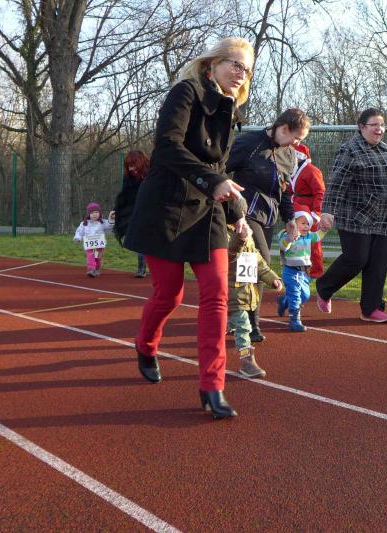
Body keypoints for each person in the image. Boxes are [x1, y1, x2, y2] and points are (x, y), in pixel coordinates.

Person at [123, 37, 253, 420]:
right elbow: (166, 148)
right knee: (170, 294)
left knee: (217, 295)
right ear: (212, 64)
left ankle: (212, 386)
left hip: (208, 212)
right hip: (165, 207)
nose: (240, 73)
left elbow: (220, 168)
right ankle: (146, 345)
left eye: (247, 69)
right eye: (235, 63)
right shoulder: (186, 92)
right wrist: (212, 182)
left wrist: (237, 212)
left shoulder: (231, 110)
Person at [226, 107, 311, 342]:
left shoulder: (289, 155)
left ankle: (239, 316)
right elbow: (220, 172)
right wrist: (230, 204)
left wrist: (290, 218)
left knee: (247, 269)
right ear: (283, 128)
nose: (297, 143)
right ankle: (250, 324)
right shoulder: (249, 143)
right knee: (258, 261)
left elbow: (284, 192)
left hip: (268, 219)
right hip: (244, 214)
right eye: (296, 137)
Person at [316, 107, 387, 323]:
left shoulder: (385, 150)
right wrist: (328, 211)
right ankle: (324, 287)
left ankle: (371, 309)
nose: (379, 129)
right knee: (356, 259)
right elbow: (336, 183)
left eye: (382, 125)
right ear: (362, 127)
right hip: (356, 216)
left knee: (379, 262)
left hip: (383, 217)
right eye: (374, 125)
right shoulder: (349, 150)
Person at [226, 208, 283, 378]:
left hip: (246, 293)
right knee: (244, 327)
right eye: (238, 214)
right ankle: (247, 361)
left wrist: (272, 278)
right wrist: (240, 237)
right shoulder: (223, 233)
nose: (242, 217)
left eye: (243, 214)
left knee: (228, 325)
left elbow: (258, 262)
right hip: (231, 294)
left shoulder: (248, 234)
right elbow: (229, 255)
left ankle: (211, 341)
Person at [276, 205, 327, 332]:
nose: (306, 226)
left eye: (308, 224)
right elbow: (283, 246)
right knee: (296, 297)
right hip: (290, 272)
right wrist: (289, 239)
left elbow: (318, 236)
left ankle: (284, 301)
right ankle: (294, 321)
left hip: (303, 272)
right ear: (294, 224)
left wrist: (325, 229)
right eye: (303, 223)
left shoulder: (309, 235)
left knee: (305, 295)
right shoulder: (287, 234)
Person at [289, 143, 326, 278]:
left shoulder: (312, 171)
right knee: (296, 240)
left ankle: (316, 272)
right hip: (296, 208)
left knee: (313, 242)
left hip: (310, 211)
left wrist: (317, 212)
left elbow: (320, 192)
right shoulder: (291, 170)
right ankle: (298, 269)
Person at [113, 149, 151, 277]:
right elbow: (124, 196)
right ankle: (141, 268)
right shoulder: (128, 178)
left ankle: (155, 268)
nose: (131, 169)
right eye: (128, 166)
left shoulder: (153, 174)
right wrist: (117, 210)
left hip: (154, 211)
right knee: (141, 239)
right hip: (137, 212)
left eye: (133, 165)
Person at [73, 202, 115, 278]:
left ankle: (97, 268)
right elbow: (79, 231)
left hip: (99, 245)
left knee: (97, 258)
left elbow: (109, 226)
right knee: (90, 255)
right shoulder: (84, 223)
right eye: (92, 213)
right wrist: (78, 238)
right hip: (89, 245)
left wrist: (111, 219)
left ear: (99, 213)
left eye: (96, 212)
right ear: (89, 214)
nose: (94, 214)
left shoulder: (102, 222)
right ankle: (91, 269)